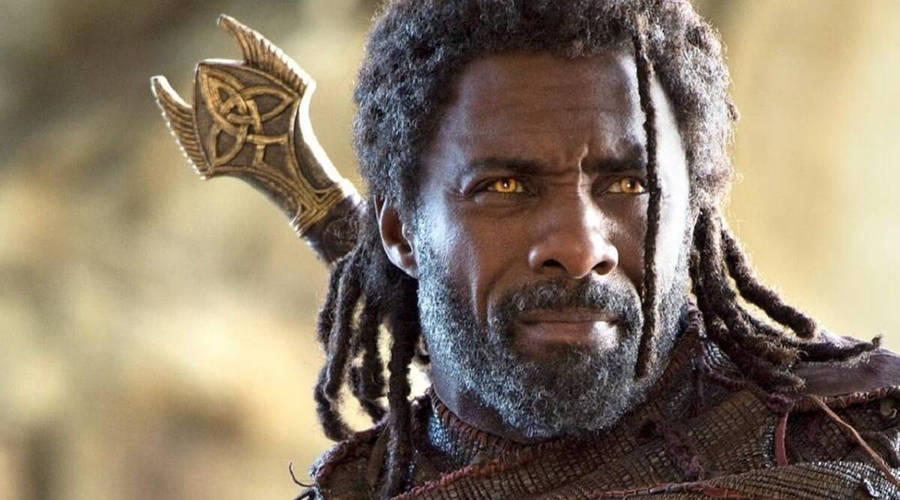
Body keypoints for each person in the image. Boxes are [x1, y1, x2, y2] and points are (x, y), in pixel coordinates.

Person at [151, 1, 900, 498]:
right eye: (504, 187)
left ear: (694, 211)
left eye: (629, 185)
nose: (579, 246)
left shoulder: (864, 441)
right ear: (400, 232)